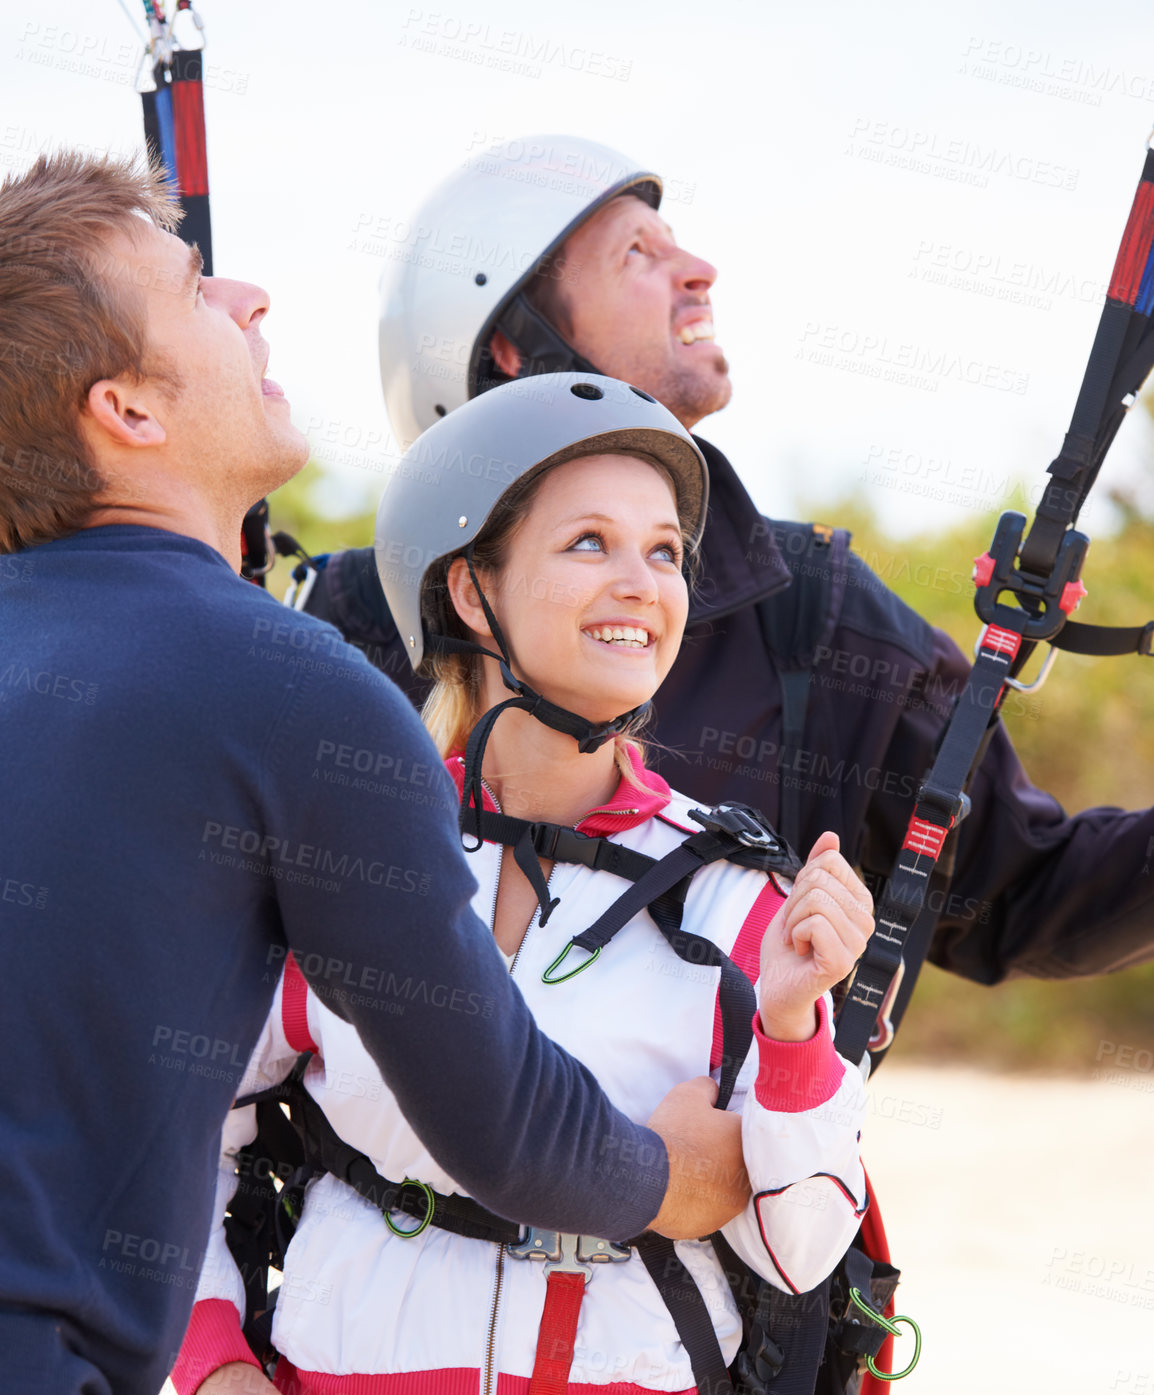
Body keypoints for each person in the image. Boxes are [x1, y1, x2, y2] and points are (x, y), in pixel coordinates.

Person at [0, 154, 746, 1395]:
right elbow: (509, 1125)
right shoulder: (284, 685)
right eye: (197, 287)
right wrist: (670, 1172)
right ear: (126, 410)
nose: (252, 295)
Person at [176, 372, 875, 1395]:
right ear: (469, 591)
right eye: (587, 543)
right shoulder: (328, 860)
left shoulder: (743, 900)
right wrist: (206, 1362)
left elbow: (802, 1246)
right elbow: (173, 1142)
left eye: (663, 551)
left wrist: (793, 1022)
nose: (643, 583)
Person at [305, 133, 1154, 1046]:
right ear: (514, 347)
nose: (699, 270)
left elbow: (1023, 893)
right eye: (639, 253)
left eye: (662, 554)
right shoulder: (351, 629)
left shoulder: (815, 614)